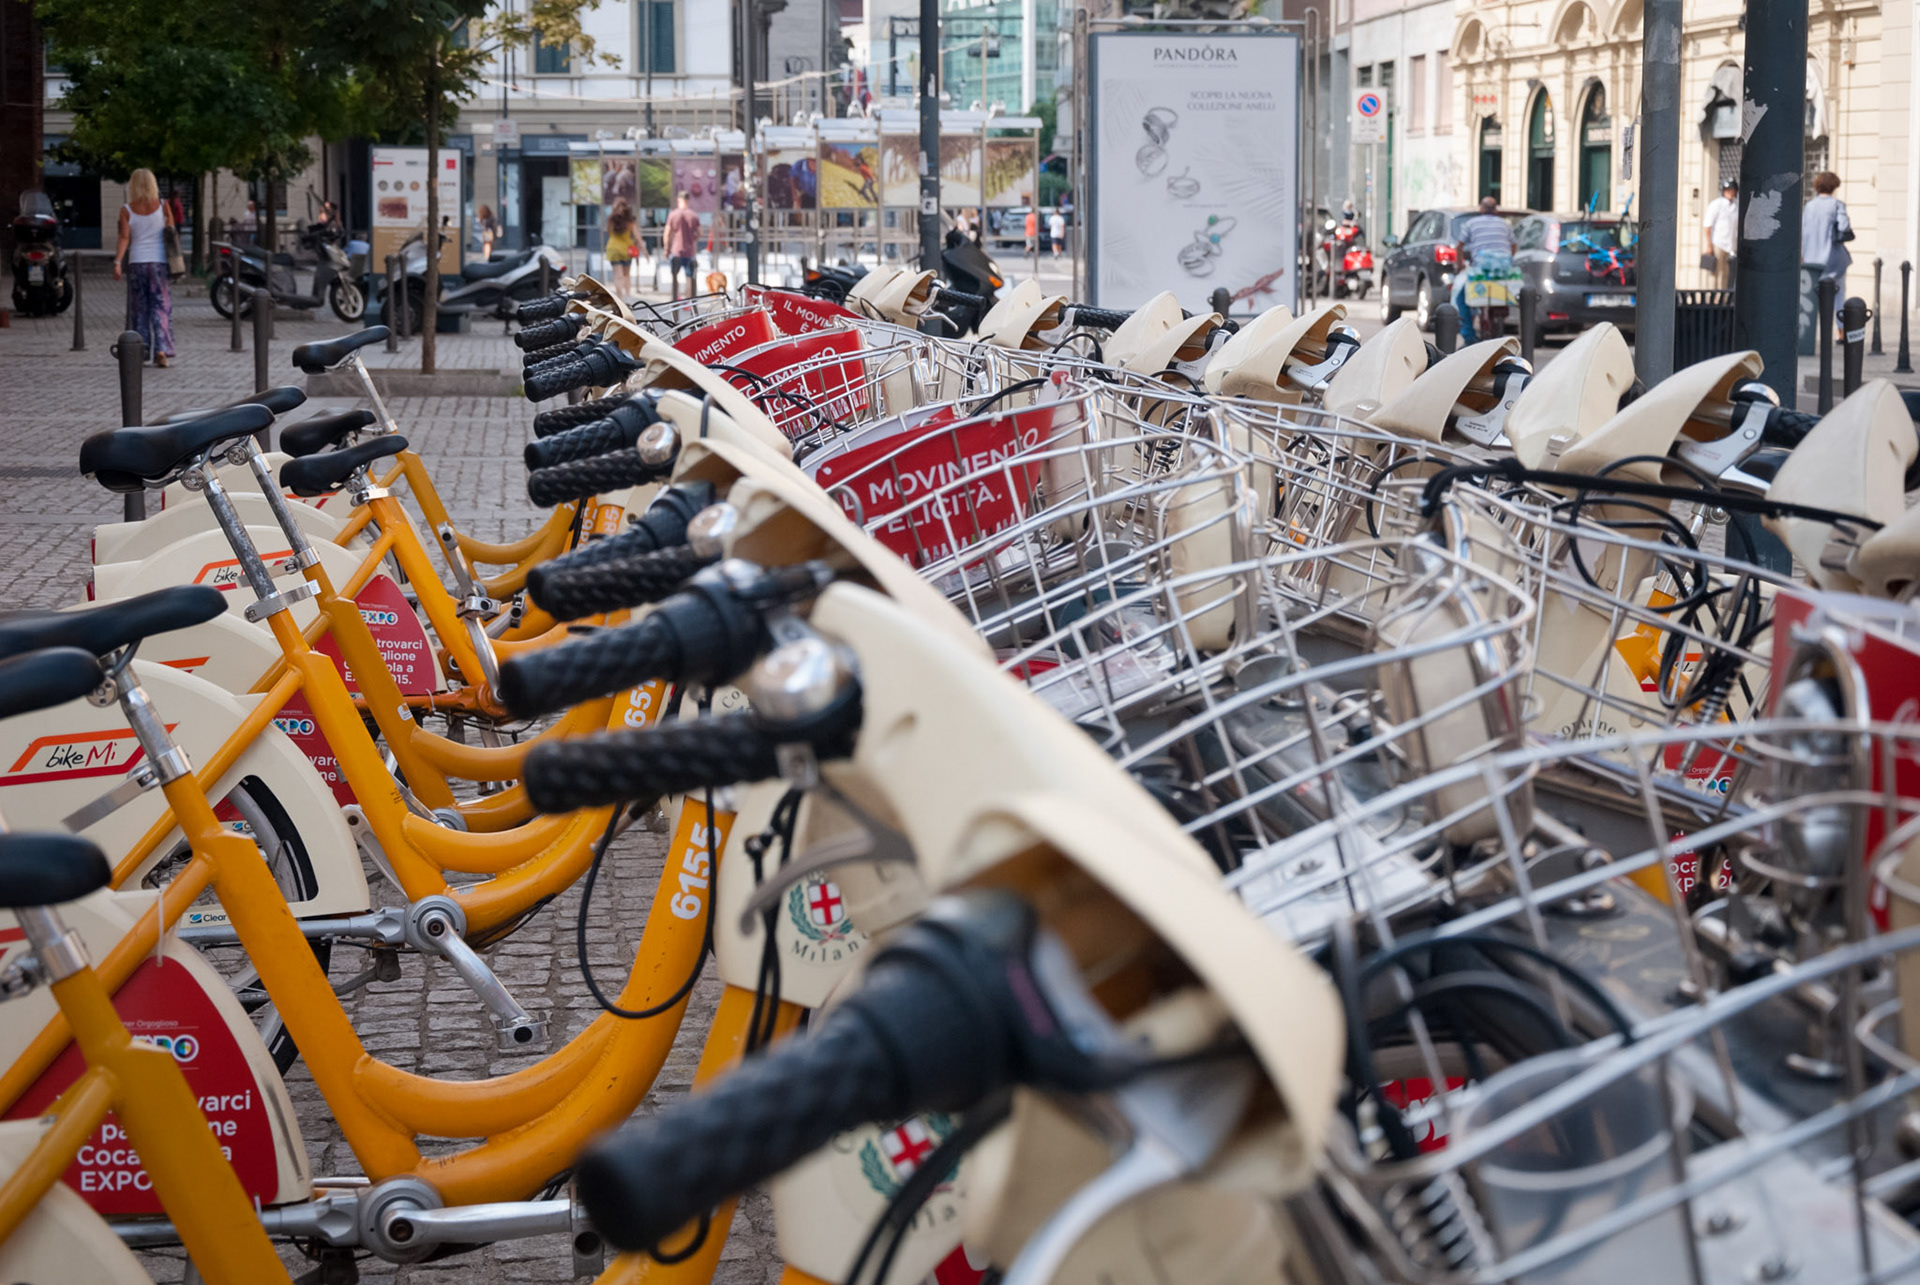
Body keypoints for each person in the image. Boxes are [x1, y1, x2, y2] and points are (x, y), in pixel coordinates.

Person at [114, 167, 176, 368]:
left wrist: (117, 262)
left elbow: (124, 237)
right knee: (161, 307)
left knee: (139, 309)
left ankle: (140, 351)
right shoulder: (163, 206)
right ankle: (162, 349)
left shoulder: (127, 209)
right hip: (158, 262)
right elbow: (171, 232)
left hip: (137, 262)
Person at [1450, 195, 1514, 343]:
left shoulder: (1471, 223)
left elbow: (1459, 246)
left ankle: (1469, 336)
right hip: (1502, 274)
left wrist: (1459, 265)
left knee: (1462, 298)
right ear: (1496, 210)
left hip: (1482, 273)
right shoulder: (1505, 225)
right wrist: (1509, 259)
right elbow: (1514, 245)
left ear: (1481, 209)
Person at [1802, 170, 1853, 331]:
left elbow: (1803, 231)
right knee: (1838, 295)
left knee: (1811, 298)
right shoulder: (1837, 205)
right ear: (1834, 186)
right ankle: (1840, 331)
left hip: (1811, 259)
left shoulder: (1809, 206)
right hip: (1833, 259)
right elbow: (1844, 227)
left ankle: (1810, 332)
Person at [665, 190, 702, 301]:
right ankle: (688, 299)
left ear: (678, 200)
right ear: (688, 200)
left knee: (675, 276)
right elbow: (700, 232)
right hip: (690, 250)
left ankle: (676, 298)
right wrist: (693, 238)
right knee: (689, 277)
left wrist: (667, 249)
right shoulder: (693, 215)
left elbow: (667, 233)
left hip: (676, 250)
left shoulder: (673, 214)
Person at [1703, 179, 1738, 288]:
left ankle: (1722, 298)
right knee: (1715, 272)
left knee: (1726, 273)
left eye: (1732, 190)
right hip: (1718, 242)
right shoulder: (1716, 204)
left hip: (1730, 245)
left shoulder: (1736, 206)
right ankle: (1713, 296)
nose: (1730, 193)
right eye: (1728, 190)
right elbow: (1707, 226)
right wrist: (1709, 246)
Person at [605, 198, 638, 298]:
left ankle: (620, 298)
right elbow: (638, 237)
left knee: (617, 276)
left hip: (613, 250)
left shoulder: (611, 221)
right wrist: (645, 252)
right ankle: (628, 296)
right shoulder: (630, 222)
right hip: (626, 250)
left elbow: (609, 232)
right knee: (626, 274)